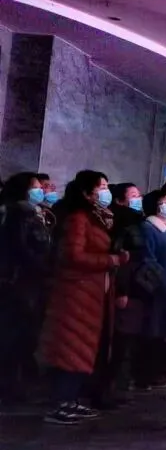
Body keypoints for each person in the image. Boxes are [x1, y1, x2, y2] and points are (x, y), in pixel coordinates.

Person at [38, 171, 127, 425]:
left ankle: (72, 399)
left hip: (91, 293)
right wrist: (111, 260)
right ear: (87, 192)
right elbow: (73, 256)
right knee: (70, 348)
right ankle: (60, 403)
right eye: (101, 187)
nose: (105, 191)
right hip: (75, 293)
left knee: (83, 348)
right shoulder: (79, 218)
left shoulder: (96, 217)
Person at [0, 172, 53, 403]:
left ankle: (15, 382)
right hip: (21, 281)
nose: (40, 190)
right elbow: (23, 249)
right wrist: (44, 268)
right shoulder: (19, 214)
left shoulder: (29, 213)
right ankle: (11, 385)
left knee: (21, 333)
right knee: (17, 334)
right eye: (36, 186)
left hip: (25, 281)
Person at [92, 182, 145, 408]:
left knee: (123, 342)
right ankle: (106, 389)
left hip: (130, 287)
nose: (138, 199)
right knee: (117, 342)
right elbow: (123, 257)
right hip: (122, 287)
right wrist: (122, 289)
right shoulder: (123, 221)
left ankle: (112, 387)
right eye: (133, 195)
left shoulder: (131, 219)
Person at [130, 190, 166, 391]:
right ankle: (144, 375)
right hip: (156, 286)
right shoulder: (149, 228)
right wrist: (162, 281)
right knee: (151, 331)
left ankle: (157, 371)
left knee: (164, 332)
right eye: (164, 202)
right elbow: (148, 259)